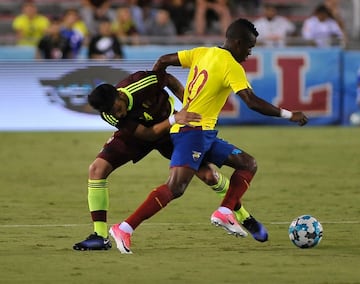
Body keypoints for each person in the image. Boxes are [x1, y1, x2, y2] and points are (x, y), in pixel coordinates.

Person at [108, 18, 308, 254]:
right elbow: (251, 102)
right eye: (249, 47)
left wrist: (155, 87)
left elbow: (163, 61)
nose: (249, 53)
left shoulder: (202, 53)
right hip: (192, 132)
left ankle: (225, 211)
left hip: (204, 133)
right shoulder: (231, 66)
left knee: (247, 163)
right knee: (176, 188)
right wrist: (289, 114)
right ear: (236, 42)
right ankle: (125, 228)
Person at [73, 70, 259, 250]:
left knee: (209, 176)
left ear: (119, 96)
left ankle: (244, 217)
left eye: (117, 109)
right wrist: (174, 119)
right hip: (141, 135)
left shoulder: (140, 82)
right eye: (111, 113)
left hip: (172, 131)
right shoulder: (108, 113)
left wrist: (190, 106)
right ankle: (100, 236)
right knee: (96, 169)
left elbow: (168, 79)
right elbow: (147, 134)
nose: (116, 114)